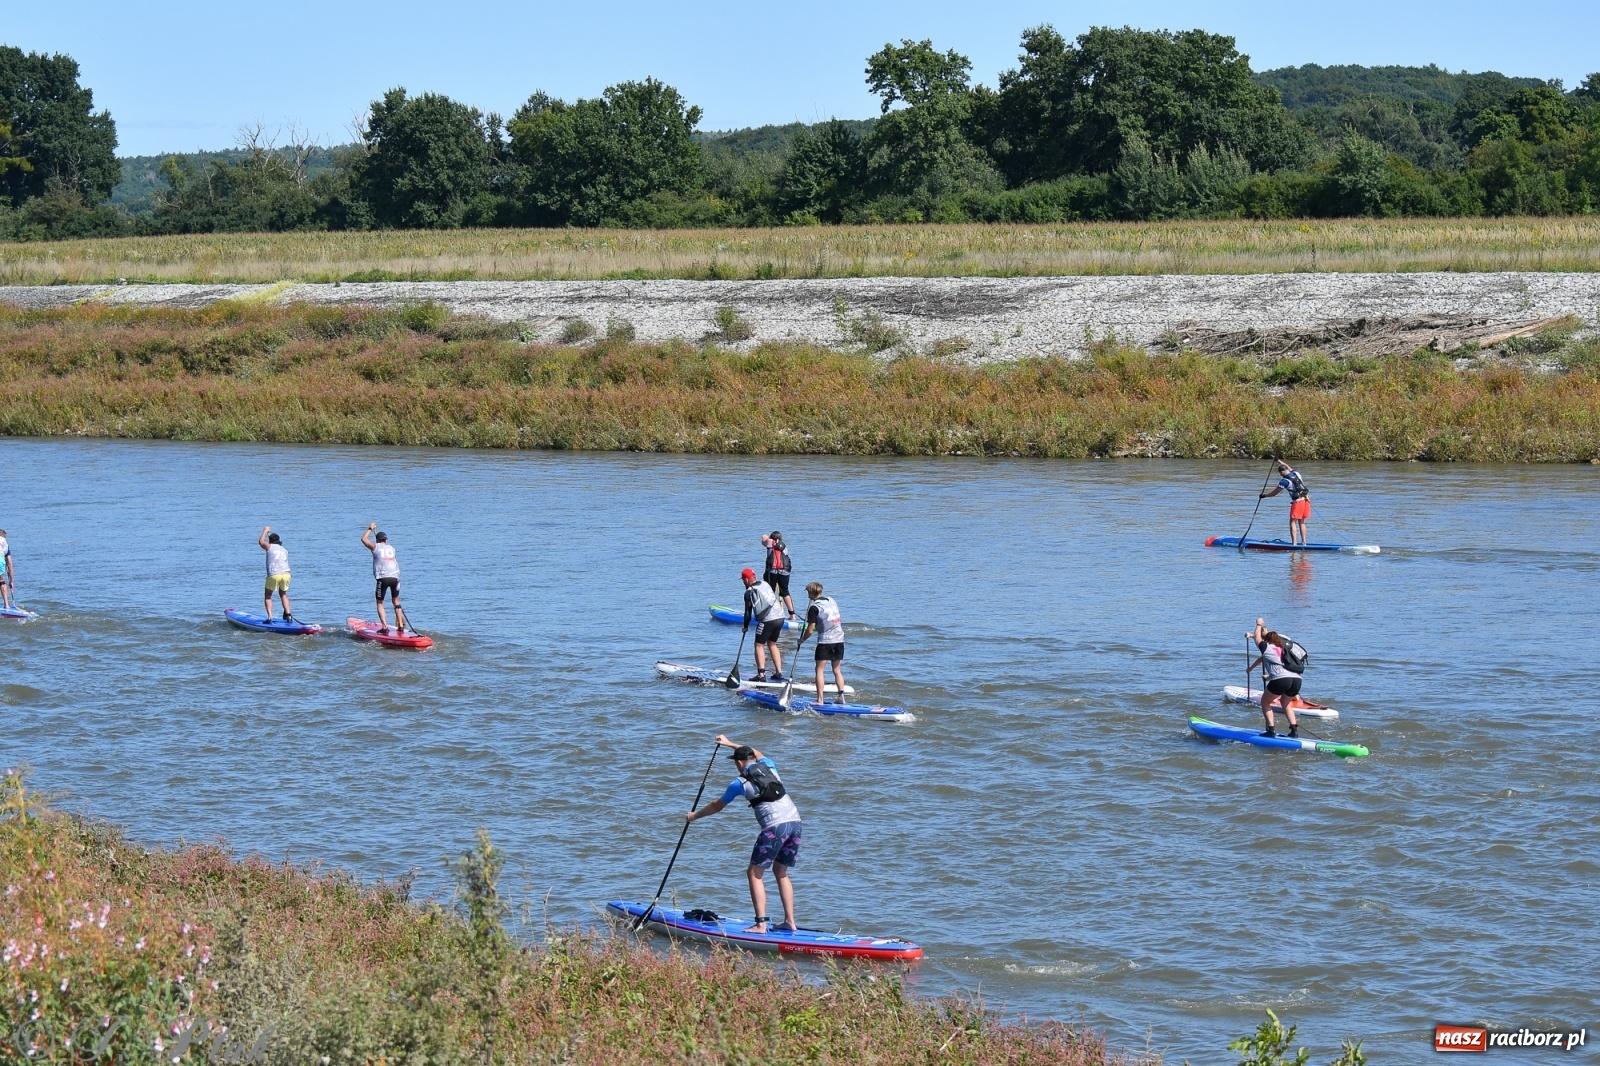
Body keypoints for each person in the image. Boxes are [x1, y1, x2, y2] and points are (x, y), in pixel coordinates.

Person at [685, 734, 802, 934]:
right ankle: (790, 922)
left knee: (754, 874)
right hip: (796, 823)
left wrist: (694, 816)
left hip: (775, 827)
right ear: (753, 759)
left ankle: (761, 924)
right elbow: (757, 752)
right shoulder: (769, 765)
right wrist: (730, 743)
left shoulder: (739, 783)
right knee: (781, 872)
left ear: (739, 763)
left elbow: (717, 806)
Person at [1246, 618, 1300, 738]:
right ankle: (1294, 731)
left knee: (1265, 702)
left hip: (1282, 679)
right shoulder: (1283, 650)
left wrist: (1259, 624)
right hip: (1297, 680)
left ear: (1267, 640)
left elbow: (1257, 637)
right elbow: (1283, 668)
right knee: (1285, 703)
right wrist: (1270, 676)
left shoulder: (1266, 647)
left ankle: (1271, 730)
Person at [799, 581, 846, 704]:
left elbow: (810, 630)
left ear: (811, 593)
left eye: (808, 593)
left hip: (825, 642)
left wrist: (801, 640)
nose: (808, 596)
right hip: (839, 639)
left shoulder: (814, 608)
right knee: (837, 669)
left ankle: (820, 699)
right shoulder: (831, 600)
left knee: (819, 670)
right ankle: (841, 697)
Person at [361, 523, 410, 633]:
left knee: (380, 602)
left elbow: (363, 539)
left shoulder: (375, 547)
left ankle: (384, 627)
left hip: (383, 578)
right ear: (386, 540)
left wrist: (370, 529)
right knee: (396, 601)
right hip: (395, 577)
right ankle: (401, 626)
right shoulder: (392, 548)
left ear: (377, 540)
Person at [740, 568, 787, 681]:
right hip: (780, 617)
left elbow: (747, 612)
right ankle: (778, 673)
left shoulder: (749, 592)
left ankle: (761, 675)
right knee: (772, 644)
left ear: (746, 580)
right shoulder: (765, 584)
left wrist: (745, 627)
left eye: (743, 580)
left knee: (759, 645)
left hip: (768, 620)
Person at [1259, 460, 1311, 546]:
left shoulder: (1284, 481)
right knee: (1301, 521)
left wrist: (1264, 496)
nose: (1280, 475)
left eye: (1280, 474)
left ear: (1281, 472)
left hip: (1298, 502)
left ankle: (1294, 544)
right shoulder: (1296, 473)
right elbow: (1288, 466)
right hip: (1306, 500)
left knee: (1292, 522)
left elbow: (1275, 493)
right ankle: (1304, 542)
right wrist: (1278, 460)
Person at [258, 526, 295, 621]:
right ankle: (288, 614)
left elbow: (261, 542)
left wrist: (265, 531)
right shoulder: (284, 549)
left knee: (268, 595)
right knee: (283, 594)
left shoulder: (269, 546)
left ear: (270, 541)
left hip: (274, 574)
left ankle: (270, 617)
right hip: (286, 574)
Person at [759, 531, 795, 619]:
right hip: (785, 571)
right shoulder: (785, 546)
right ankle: (792, 615)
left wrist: (765, 536)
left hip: (772, 571)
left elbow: (764, 539)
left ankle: (770, 614)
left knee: (770, 592)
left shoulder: (770, 542)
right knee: (785, 592)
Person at [0, 529, 14, 611]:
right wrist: (11, 581)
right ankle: (6, 605)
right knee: (1, 580)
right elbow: (10, 566)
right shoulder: (5, 544)